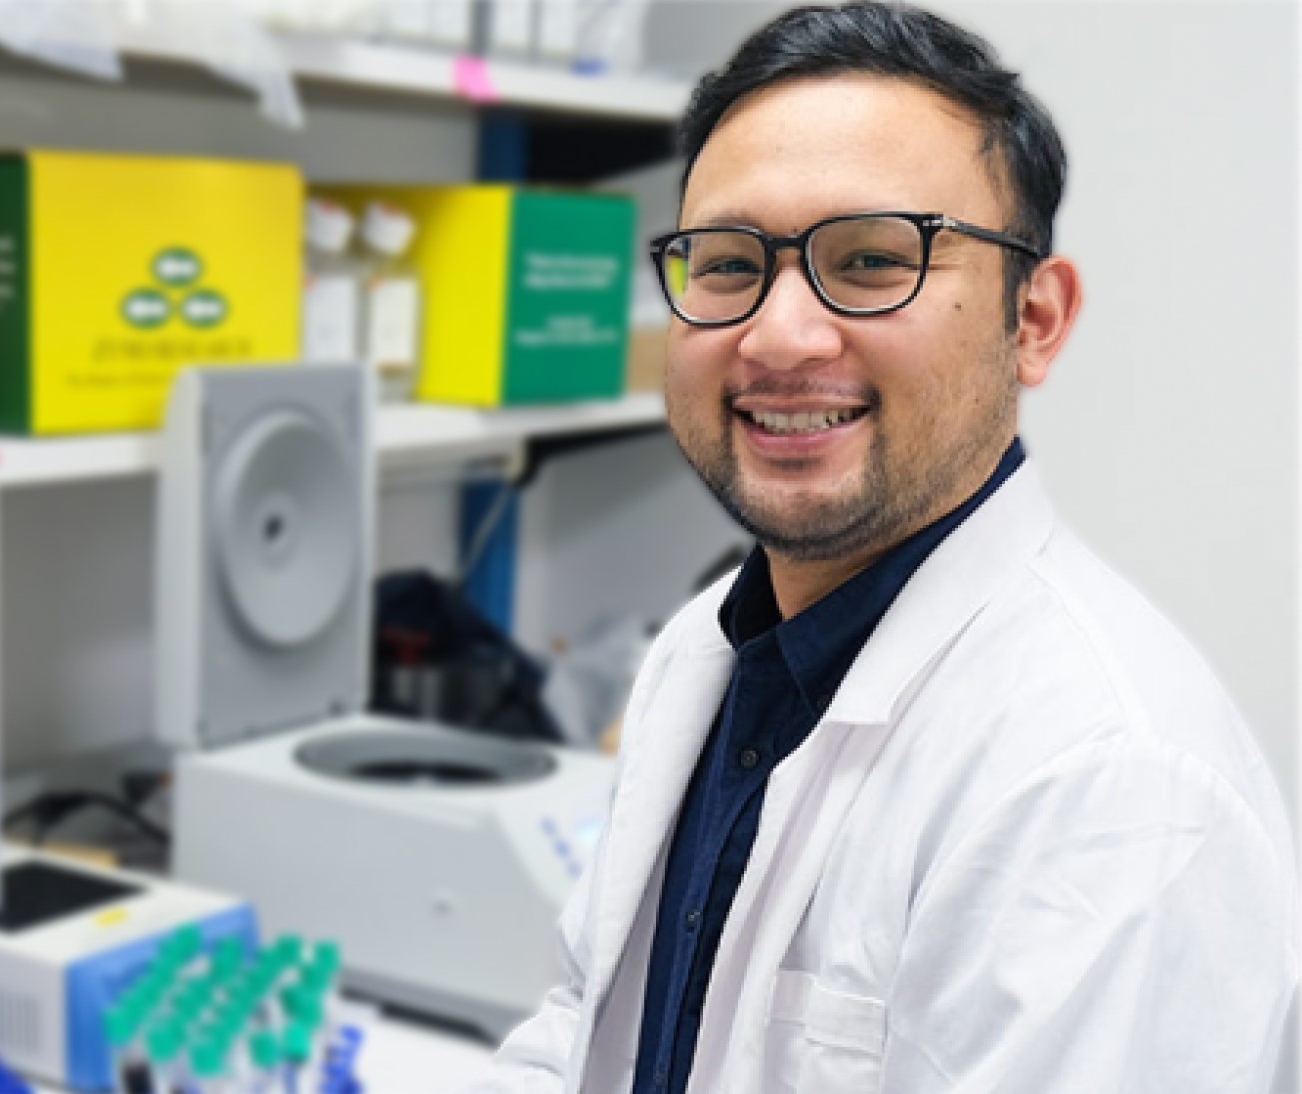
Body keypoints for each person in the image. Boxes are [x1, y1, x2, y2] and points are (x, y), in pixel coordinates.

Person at [469, 4, 1300, 1092]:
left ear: (1031, 320)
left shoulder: (1105, 781)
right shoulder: (710, 647)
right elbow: (588, 1034)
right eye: (725, 264)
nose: (777, 335)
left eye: (868, 260)